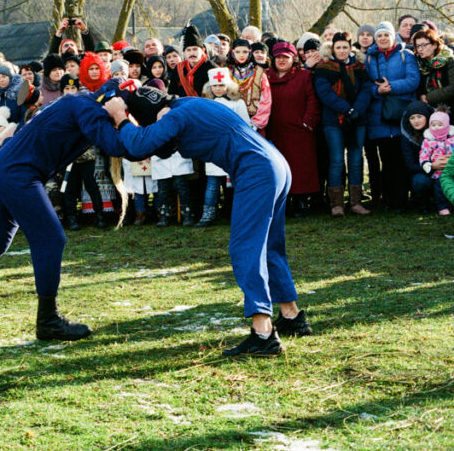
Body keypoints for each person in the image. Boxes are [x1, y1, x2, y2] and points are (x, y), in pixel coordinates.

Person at [0, 83, 136, 342]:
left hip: (7, 166)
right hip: (19, 172)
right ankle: (48, 320)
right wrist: (121, 117)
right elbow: (117, 146)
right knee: (50, 239)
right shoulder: (89, 109)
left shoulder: (79, 100)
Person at [109, 86, 310, 357]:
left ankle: (263, 333)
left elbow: (140, 144)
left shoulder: (174, 116)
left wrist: (120, 117)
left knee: (246, 248)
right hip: (274, 163)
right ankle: (291, 316)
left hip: (255, 169)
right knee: (269, 246)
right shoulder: (188, 104)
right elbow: (163, 147)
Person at [313, 32, 372, 216]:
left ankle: (356, 202)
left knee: (356, 159)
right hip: (333, 120)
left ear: (350, 48)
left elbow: (366, 90)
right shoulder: (323, 67)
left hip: (357, 119)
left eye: (345, 47)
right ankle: (336, 204)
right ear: (333, 48)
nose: (341, 51)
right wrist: (347, 110)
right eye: (338, 47)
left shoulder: (359, 66)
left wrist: (356, 110)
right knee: (337, 160)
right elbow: (325, 93)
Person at [365, 21, 420, 211]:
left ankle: (403, 199)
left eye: (386, 35)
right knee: (387, 160)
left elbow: (413, 80)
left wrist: (391, 87)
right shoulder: (370, 58)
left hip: (401, 114)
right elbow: (366, 85)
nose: (383, 38)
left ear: (392, 36)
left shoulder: (406, 55)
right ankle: (389, 200)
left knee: (402, 159)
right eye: (379, 35)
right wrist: (377, 90)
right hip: (379, 117)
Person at [266, 42, 321, 217]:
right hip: (274, 129)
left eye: (286, 57)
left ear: (293, 59)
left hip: (299, 130)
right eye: (278, 57)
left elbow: (312, 100)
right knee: (278, 167)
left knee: (301, 166)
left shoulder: (304, 76)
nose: (282, 60)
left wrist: (307, 122)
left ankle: (301, 200)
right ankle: (283, 201)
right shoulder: (266, 76)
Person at [197, 68, 250, 226]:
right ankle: (208, 214)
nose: (218, 89)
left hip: (232, 147)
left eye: (221, 85)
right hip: (213, 148)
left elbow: (245, 124)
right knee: (213, 184)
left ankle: (236, 213)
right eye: (215, 85)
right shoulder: (206, 104)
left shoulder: (237, 103)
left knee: (234, 182)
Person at [419, 108, 454, 215]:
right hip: (438, 172)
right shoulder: (428, 141)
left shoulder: (452, 138)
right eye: (433, 125)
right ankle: (442, 207)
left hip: (452, 169)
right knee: (439, 189)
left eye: (440, 125)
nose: (436, 127)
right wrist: (429, 165)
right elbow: (423, 155)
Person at [412, 28, 454, 106]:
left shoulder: (449, 60)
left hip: (449, 105)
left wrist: (429, 97)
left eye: (424, 45)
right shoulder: (419, 63)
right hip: (428, 106)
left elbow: (452, 88)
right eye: (417, 46)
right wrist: (421, 95)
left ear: (434, 45)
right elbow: (418, 86)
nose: (420, 49)